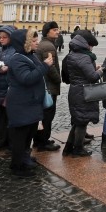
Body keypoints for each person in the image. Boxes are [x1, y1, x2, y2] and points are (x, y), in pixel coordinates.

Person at [6, 29, 51, 178]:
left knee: (29, 133)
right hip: (21, 103)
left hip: (31, 102)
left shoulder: (30, 55)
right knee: (20, 136)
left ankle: (24, 158)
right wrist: (45, 66)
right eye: (33, 40)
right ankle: (17, 166)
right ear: (24, 43)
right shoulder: (17, 59)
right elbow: (26, 78)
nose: (36, 42)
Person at [63, 30, 101, 157]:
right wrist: (101, 70)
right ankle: (78, 149)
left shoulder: (72, 54)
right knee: (82, 122)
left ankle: (68, 147)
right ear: (86, 44)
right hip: (83, 92)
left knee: (77, 121)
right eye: (91, 45)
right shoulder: (84, 57)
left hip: (75, 90)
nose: (91, 48)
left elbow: (79, 72)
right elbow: (92, 77)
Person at [34, 21, 62, 152]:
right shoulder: (48, 46)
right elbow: (51, 68)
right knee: (47, 115)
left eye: (58, 29)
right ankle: (43, 142)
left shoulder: (45, 44)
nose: (57, 32)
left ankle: (40, 140)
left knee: (43, 114)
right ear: (47, 31)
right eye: (54, 30)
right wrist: (58, 80)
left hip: (44, 85)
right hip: (49, 86)